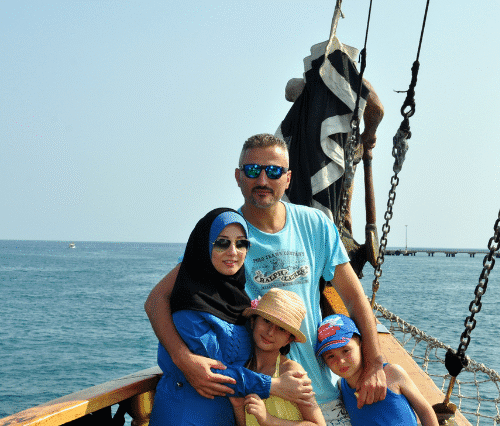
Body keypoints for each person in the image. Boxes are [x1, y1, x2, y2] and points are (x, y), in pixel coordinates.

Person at [145, 134, 386, 426]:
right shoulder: (227, 235)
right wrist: (183, 359)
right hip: (256, 400)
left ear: (288, 178)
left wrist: (374, 363)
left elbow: (354, 298)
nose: (262, 180)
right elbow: (157, 299)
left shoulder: (315, 225)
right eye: (252, 170)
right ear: (238, 177)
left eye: (273, 171)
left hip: (317, 392)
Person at [148, 208, 312, 426]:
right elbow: (214, 372)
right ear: (204, 246)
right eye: (222, 243)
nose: (233, 251)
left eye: (241, 243)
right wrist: (274, 386)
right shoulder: (190, 303)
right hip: (185, 416)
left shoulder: (238, 302)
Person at [316, 314, 439, 426]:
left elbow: (425, 411)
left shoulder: (392, 373)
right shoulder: (341, 388)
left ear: (360, 344)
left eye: (346, 350)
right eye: (330, 356)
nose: (341, 361)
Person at [230, 288, 326, 426]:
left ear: (289, 339)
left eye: (281, 328)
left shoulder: (291, 371)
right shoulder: (246, 370)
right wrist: (238, 407)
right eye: (266, 320)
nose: (270, 332)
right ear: (253, 321)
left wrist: (269, 420)